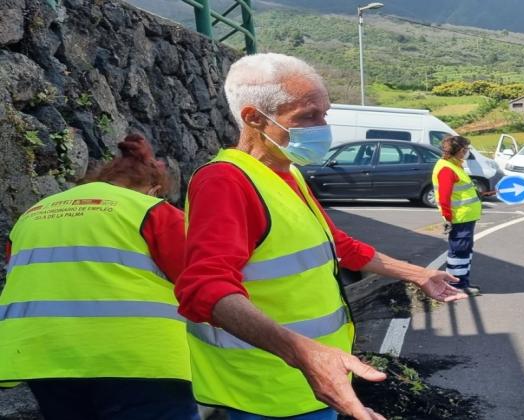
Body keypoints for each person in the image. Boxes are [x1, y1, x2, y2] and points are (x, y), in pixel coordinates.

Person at [176, 53, 467, 420]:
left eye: (324, 115)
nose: (322, 127)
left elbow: (337, 245)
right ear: (254, 118)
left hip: (315, 379)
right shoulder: (225, 181)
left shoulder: (288, 173)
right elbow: (204, 288)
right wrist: (305, 355)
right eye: (307, 117)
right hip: (270, 390)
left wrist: (418, 274)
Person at [0, 134, 196, 419]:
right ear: (153, 189)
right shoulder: (151, 210)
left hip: (43, 359)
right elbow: (200, 280)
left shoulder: (32, 214)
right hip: (139, 361)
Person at [433, 135, 493, 295]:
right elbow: (444, 197)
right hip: (460, 218)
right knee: (459, 252)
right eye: (466, 149)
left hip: (464, 217)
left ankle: (461, 282)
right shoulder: (447, 168)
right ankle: (457, 287)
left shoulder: (454, 165)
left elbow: (460, 191)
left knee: (464, 251)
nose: (467, 152)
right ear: (459, 150)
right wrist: (447, 218)